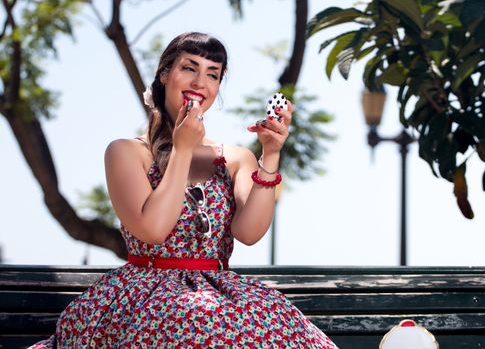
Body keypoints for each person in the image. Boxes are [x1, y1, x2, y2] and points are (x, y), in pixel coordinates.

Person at [29, 32, 338, 348]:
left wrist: (270, 155)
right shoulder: (126, 152)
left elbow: (248, 233)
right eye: (189, 68)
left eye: (212, 74)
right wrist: (182, 150)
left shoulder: (235, 159)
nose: (200, 82)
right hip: (145, 294)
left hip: (219, 293)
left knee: (266, 320)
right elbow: (152, 229)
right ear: (164, 74)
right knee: (192, 315)